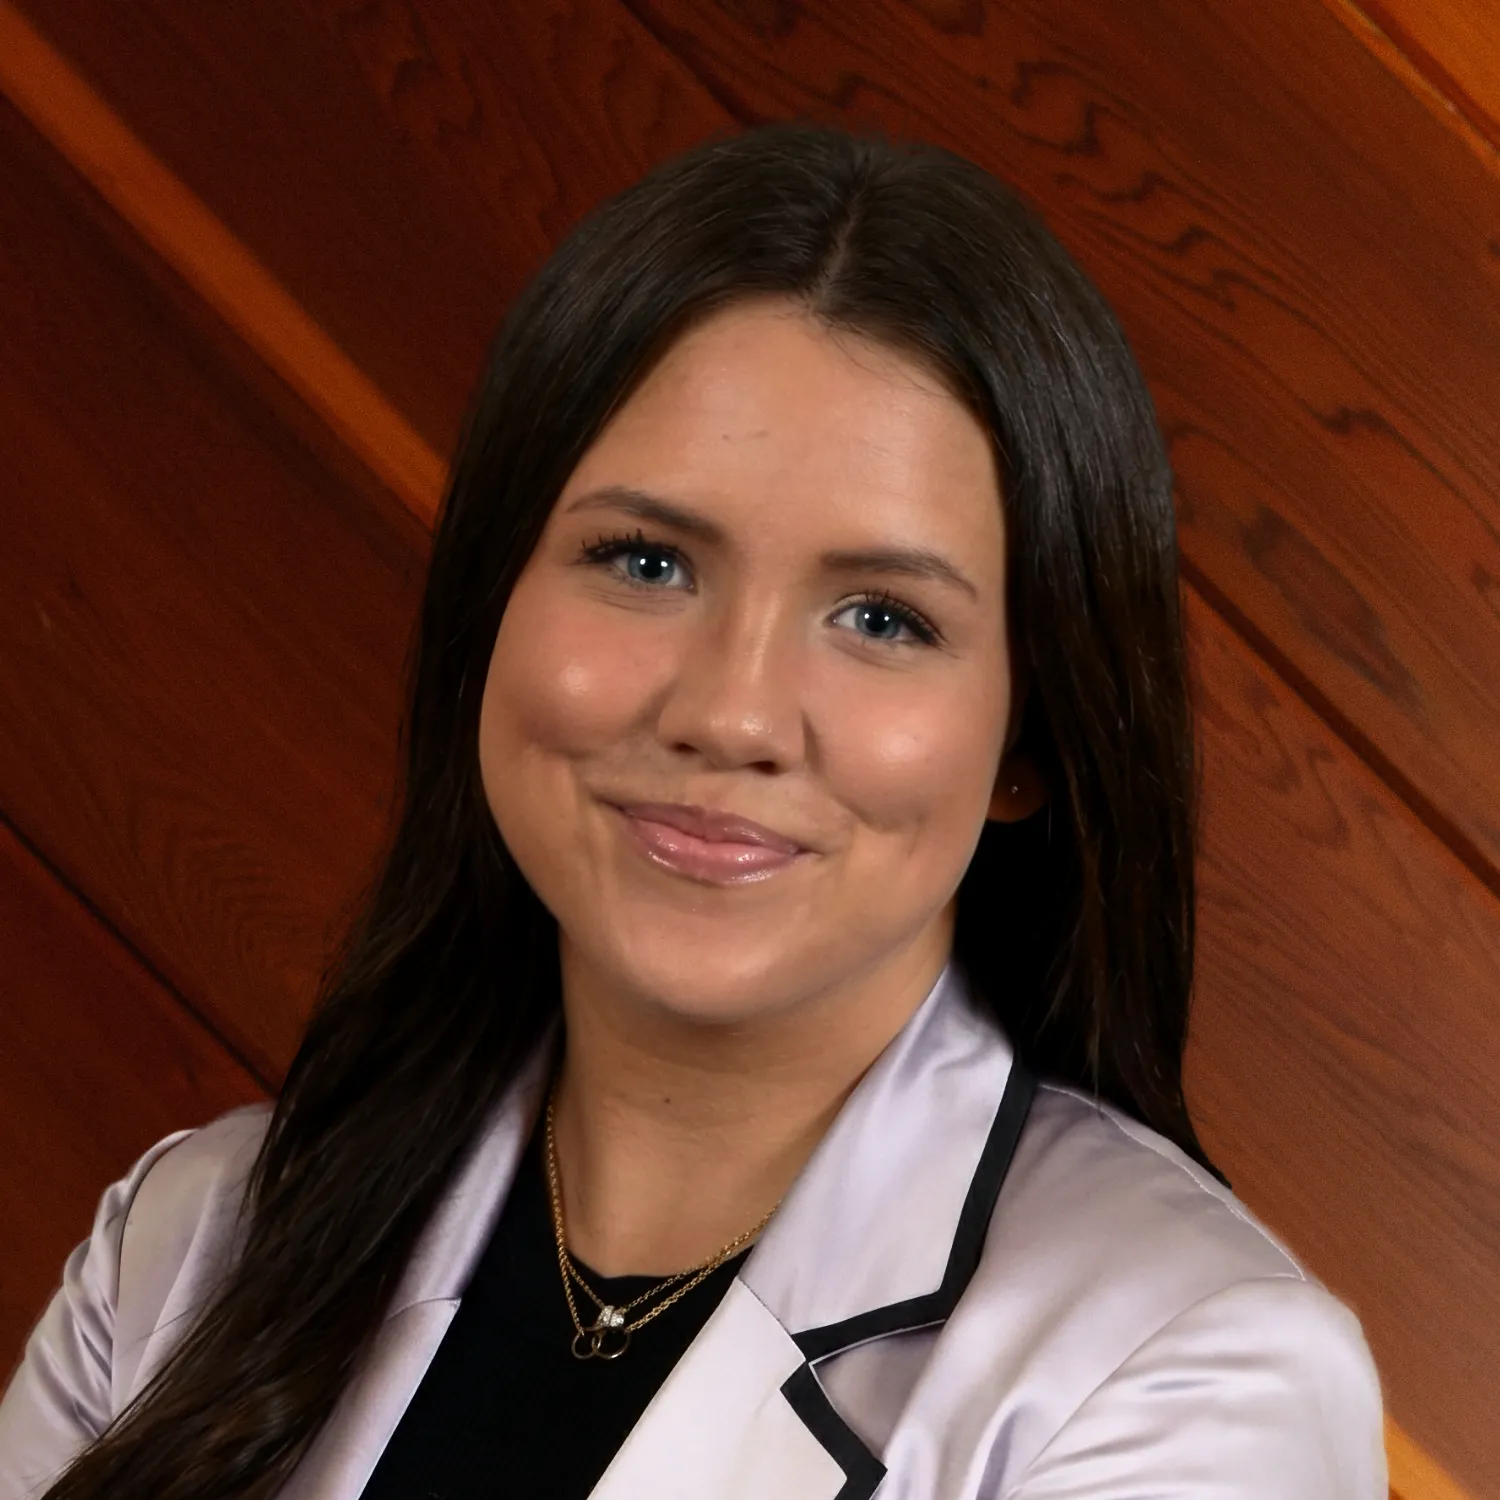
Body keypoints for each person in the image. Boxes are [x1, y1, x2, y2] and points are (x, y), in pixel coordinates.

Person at [0, 121, 1385, 1500]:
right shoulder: (185, 1250)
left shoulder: (1187, 1377)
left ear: (1029, 740)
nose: (730, 713)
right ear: (494, 599)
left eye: (883, 618)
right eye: (647, 562)